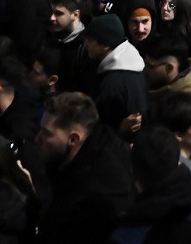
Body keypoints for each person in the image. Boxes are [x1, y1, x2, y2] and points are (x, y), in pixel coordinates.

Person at [35, 92, 134, 244]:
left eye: (47, 134)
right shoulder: (72, 159)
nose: (37, 139)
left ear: (73, 139)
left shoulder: (92, 192)